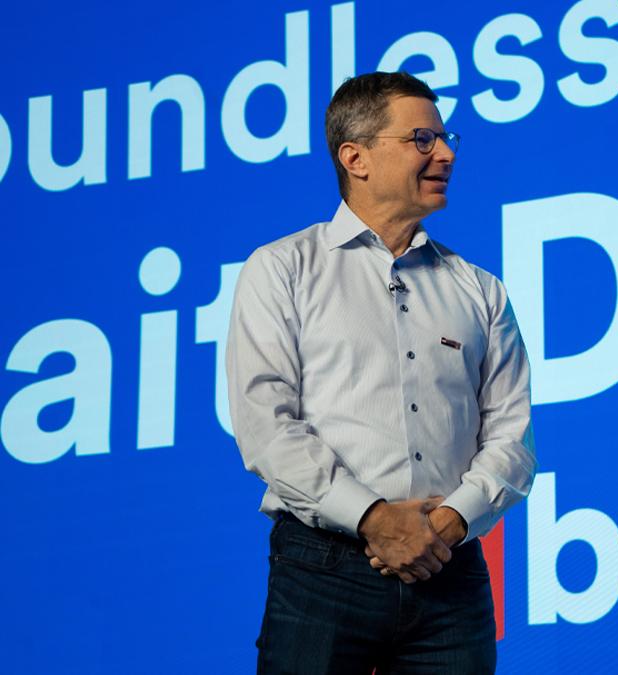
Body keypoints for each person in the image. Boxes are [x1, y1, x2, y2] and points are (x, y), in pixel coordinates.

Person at [227, 71, 536, 674]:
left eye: (445, 138)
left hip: (451, 570)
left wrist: (446, 523)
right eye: (422, 138)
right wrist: (373, 519)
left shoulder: (479, 290)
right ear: (355, 157)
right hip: (323, 569)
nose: (445, 153)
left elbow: (512, 438)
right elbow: (267, 428)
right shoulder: (282, 269)